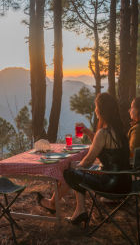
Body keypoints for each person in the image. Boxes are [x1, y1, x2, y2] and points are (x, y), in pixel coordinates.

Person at [36, 93, 131, 225]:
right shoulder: (119, 131)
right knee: (75, 170)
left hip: (110, 185)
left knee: (70, 172)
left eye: (96, 107)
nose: (95, 110)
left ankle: (74, 209)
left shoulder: (103, 133)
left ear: (101, 110)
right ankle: (71, 208)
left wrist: (74, 171)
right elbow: (102, 148)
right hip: (125, 183)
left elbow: (88, 161)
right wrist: (87, 132)